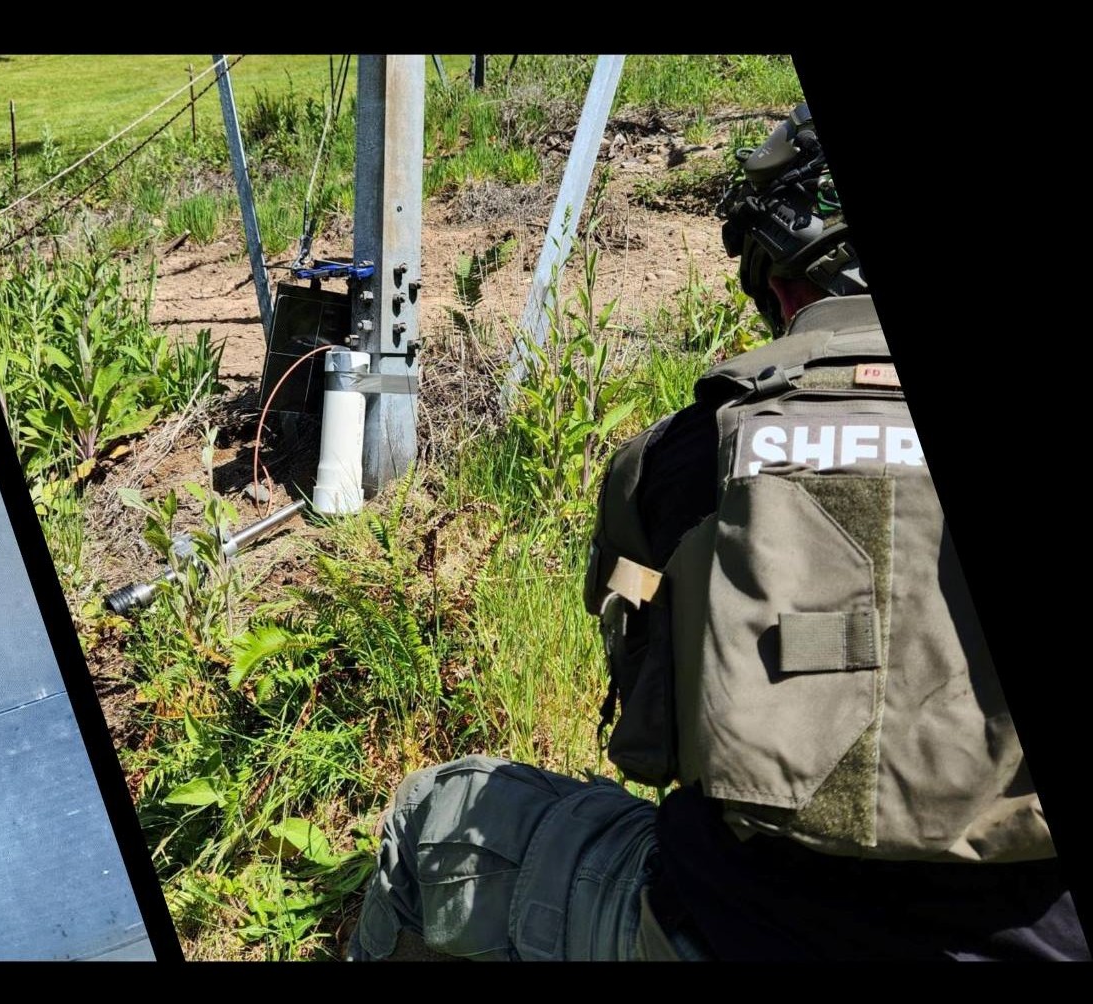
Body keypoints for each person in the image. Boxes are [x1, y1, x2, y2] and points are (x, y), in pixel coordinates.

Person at [349, 104, 1073, 961]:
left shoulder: (680, 456)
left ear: (785, 284)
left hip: (722, 934)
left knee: (430, 818)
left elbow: (649, 744)